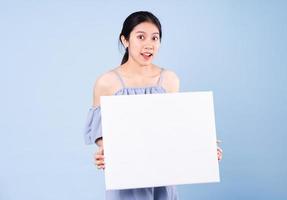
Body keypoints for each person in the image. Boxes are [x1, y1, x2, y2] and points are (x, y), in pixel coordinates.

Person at [84, 11, 223, 200]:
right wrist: (105, 153)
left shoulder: (169, 80)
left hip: (163, 179)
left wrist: (203, 149)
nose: (149, 44)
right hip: (127, 180)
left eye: (155, 38)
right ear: (125, 40)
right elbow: (103, 138)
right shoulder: (107, 82)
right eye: (141, 37)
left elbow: (175, 130)